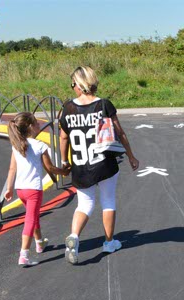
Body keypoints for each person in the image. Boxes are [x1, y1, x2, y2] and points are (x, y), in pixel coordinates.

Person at [59, 66, 140, 265]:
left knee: (84, 204)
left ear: (78, 85)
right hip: (104, 163)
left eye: (72, 85)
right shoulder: (104, 105)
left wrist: (64, 161)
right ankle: (109, 242)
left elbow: (63, 137)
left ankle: (75, 237)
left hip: (80, 165)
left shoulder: (67, 108)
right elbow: (120, 133)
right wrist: (130, 156)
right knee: (108, 201)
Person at [4, 112, 68, 267]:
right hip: (33, 190)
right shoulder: (39, 145)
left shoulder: (17, 145)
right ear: (30, 127)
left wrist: (9, 188)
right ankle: (24, 255)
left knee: (33, 216)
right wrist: (64, 172)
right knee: (30, 219)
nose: (40, 125)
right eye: (37, 123)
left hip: (21, 189)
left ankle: (39, 243)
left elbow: (12, 169)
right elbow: (50, 168)